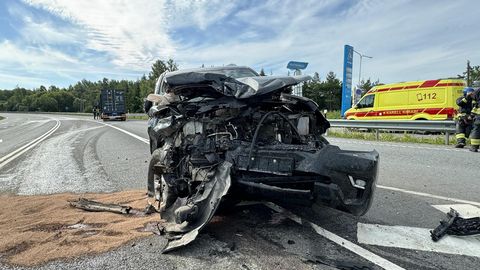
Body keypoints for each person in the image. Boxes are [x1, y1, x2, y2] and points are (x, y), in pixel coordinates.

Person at [469, 87, 480, 152]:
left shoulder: (477, 91)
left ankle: (474, 146)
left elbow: (475, 107)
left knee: (476, 130)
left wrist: (472, 115)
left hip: (479, 116)